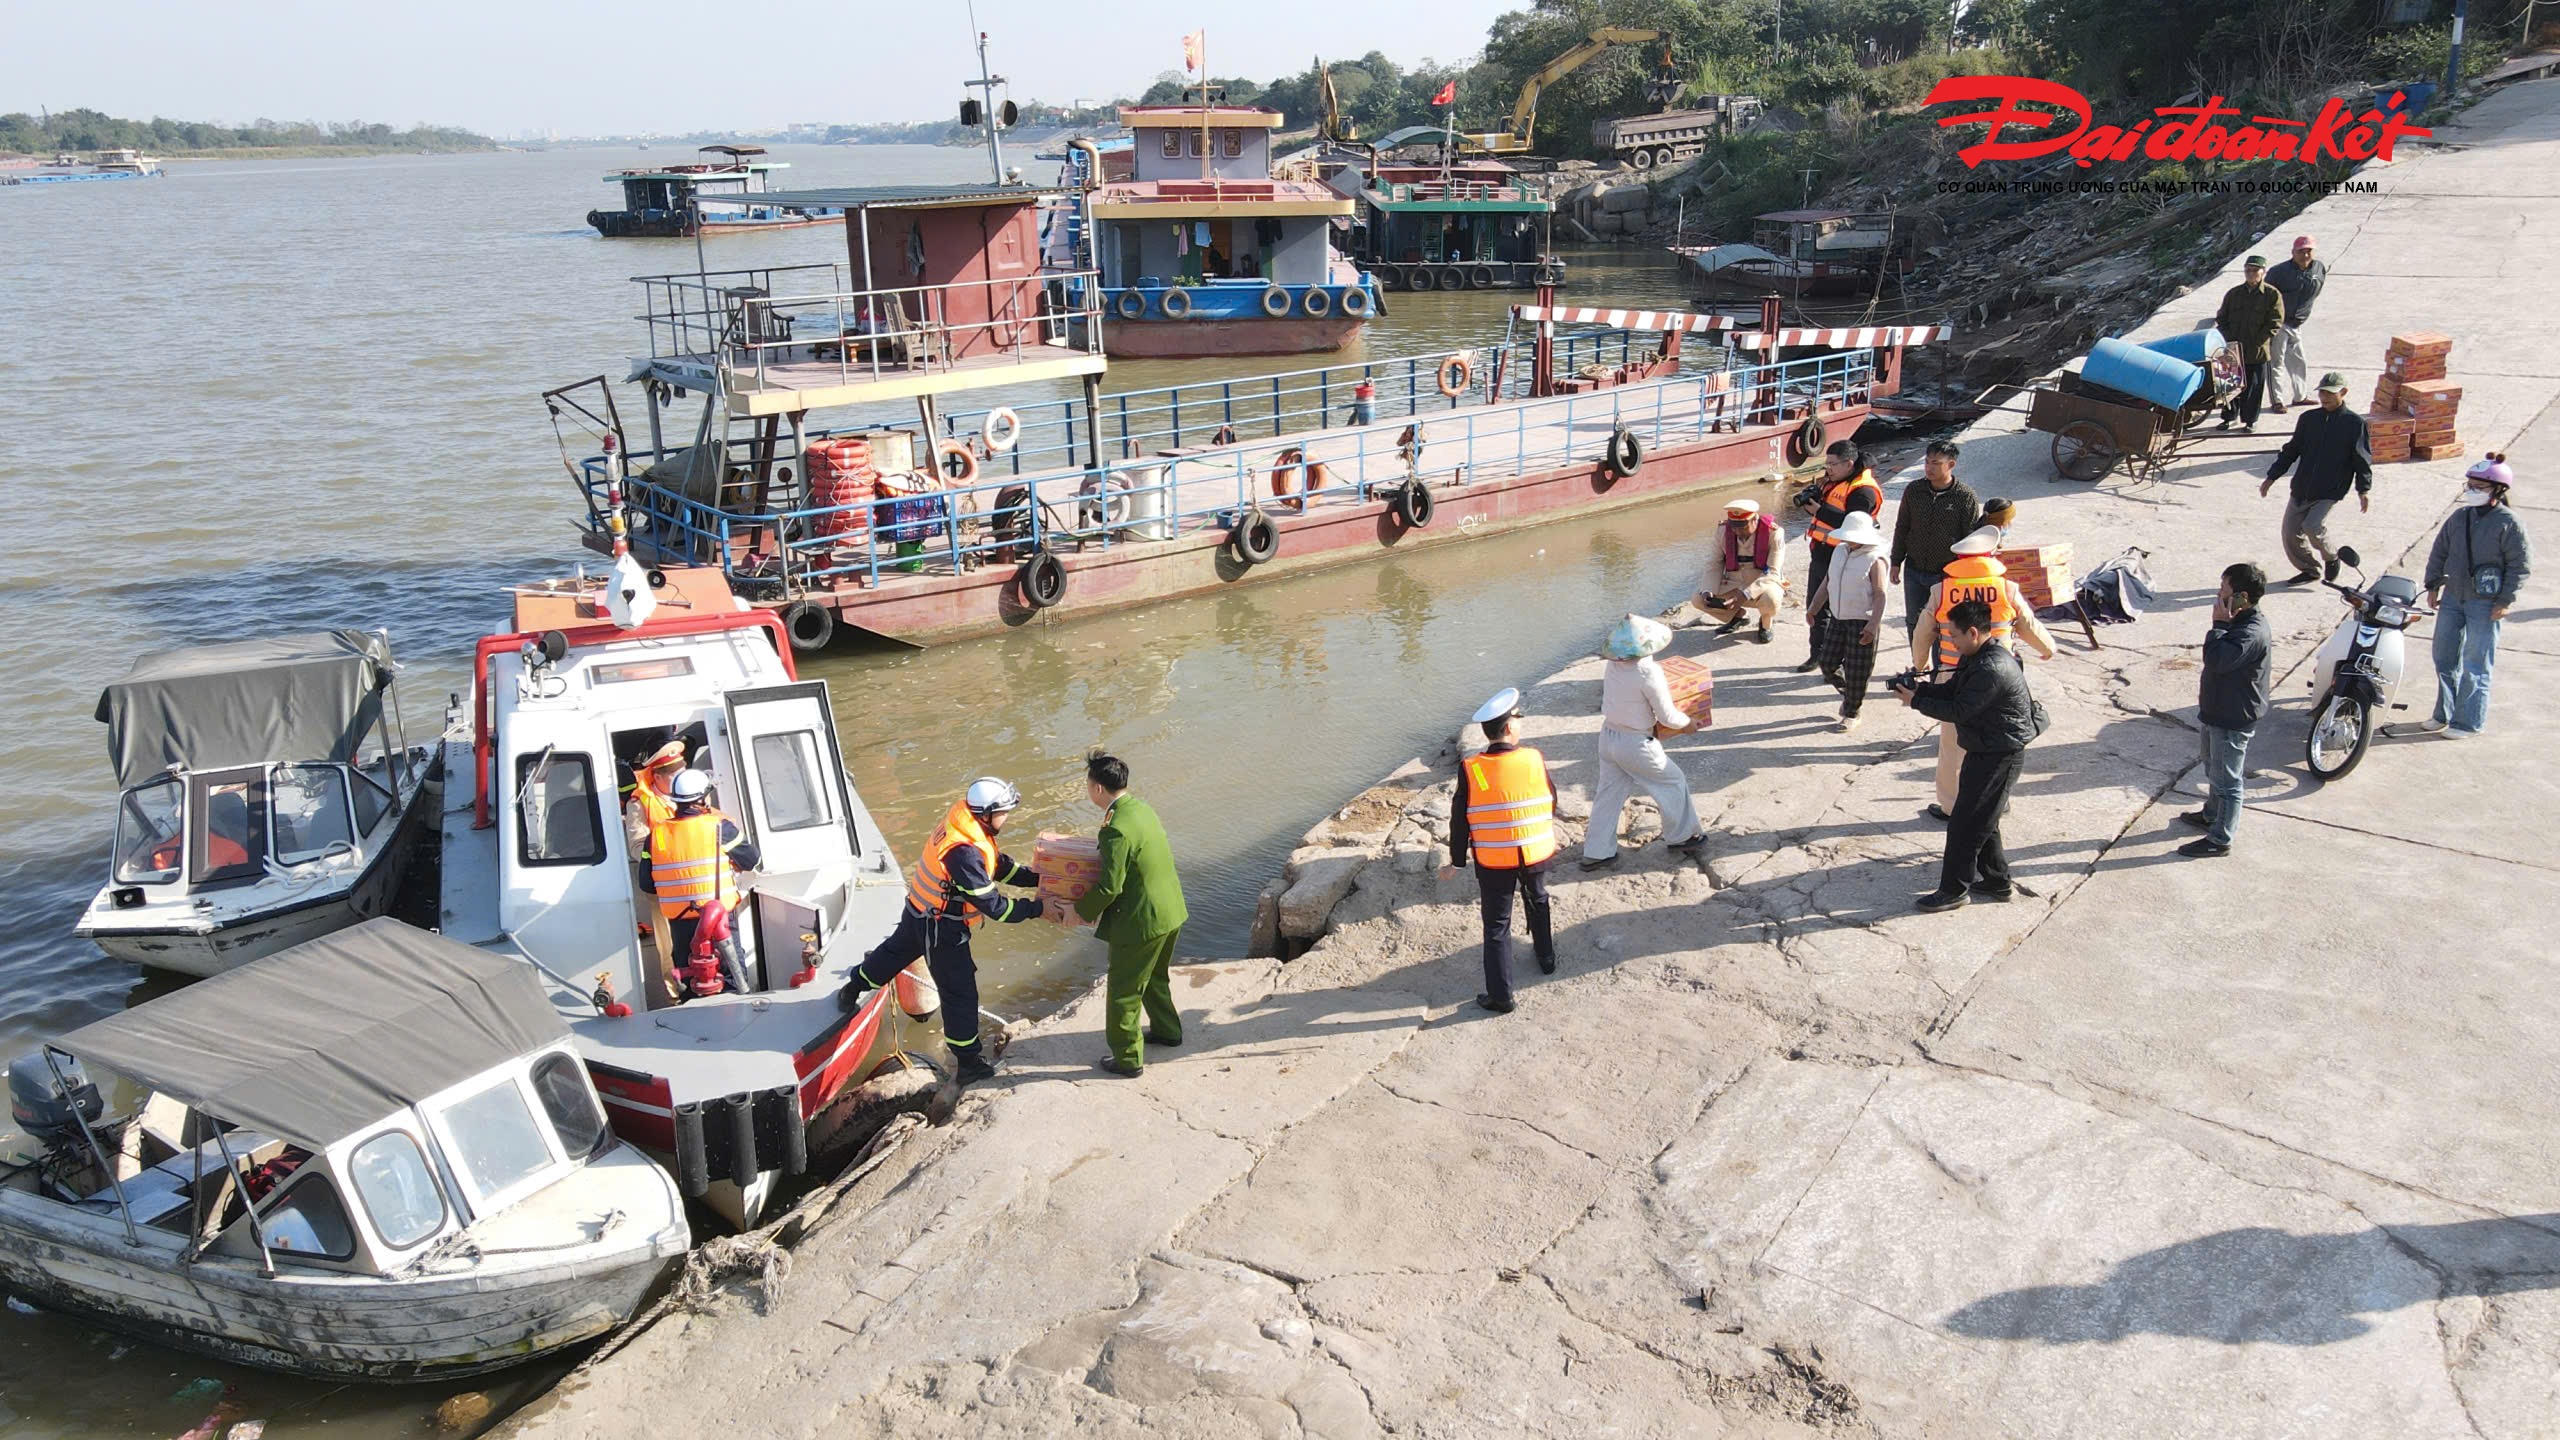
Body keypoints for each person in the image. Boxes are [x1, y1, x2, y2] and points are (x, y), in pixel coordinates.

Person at [838, 778, 1044, 1084]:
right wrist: (1038, 909)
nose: (1007, 817)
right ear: (986, 814)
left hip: (919, 911)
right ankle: (968, 1063)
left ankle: (853, 986)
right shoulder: (963, 854)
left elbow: (996, 865)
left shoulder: (963, 825)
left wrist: (1034, 878)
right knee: (959, 993)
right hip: (942, 928)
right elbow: (996, 907)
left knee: (893, 954)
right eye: (1004, 812)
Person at [1890, 600, 2044, 912]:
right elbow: (1953, 691)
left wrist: (1916, 701)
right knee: (1983, 818)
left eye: (1955, 636)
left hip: (1999, 753)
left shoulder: (1991, 668)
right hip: (1987, 747)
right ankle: (1998, 882)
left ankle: (1954, 890)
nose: (1952, 642)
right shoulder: (1979, 656)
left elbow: (1959, 709)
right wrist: (1919, 689)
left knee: (1965, 825)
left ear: (1973, 632)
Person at [1909, 526, 2056, 818]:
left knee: (1952, 746)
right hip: (2000, 677)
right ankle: (1998, 800)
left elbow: (1923, 630)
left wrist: (1920, 662)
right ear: (1990, 556)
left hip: (1953, 674)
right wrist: (2047, 648)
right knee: (1998, 742)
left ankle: (1951, 805)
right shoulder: (2006, 588)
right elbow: (2027, 623)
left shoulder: (1942, 590)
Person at [1440, 690, 1559, 1015]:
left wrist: (1457, 861)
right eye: (1517, 719)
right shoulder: (1534, 757)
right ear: (1509, 728)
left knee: (1496, 925)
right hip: (1534, 850)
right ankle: (1546, 958)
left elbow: (1460, 818)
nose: (1519, 723)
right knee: (1538, 897)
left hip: (1493, 859)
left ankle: (1501, 997)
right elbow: (1551, 798)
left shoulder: (1472, 769)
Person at [1073, 752, 1190, 1076]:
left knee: (1124, 991)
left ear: (1097, 788)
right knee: (1154, 976)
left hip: (1141, 921)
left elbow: (1110, 887)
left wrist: (1079, 911)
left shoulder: (1115, 829)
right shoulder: (1141, 809)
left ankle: (1127, 1058)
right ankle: (1168, 1031)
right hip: (1170, 912)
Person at [1584, 614, 1706, 871]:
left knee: (1608, 792)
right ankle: (1683, 836)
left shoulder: (1613, 665)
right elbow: (1667, 716)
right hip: (1636, 742)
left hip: (1608, 736)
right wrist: (1688, 724)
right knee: (1672, 782)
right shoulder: (1649, 671)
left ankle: (1596, 851)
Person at [2422, 454, 2533, 736]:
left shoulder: (2509, 523)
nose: (2472, 491)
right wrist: (2433, 585)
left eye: (2479, 487)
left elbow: (2520, 565)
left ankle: (2468, 722)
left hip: (2485, 603)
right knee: (2443, 658)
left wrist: (2505, 601)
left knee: (2476, 664)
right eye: (2469, 485)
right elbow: (2440, 552)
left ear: (2497, 490)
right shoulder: (2459, 517)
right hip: (2452, 598)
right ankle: (2443, 713)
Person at [638, 769, 761, 997]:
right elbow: (752, 859)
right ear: (703, 798)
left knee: (692, 984)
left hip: (680, 927)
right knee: (734, 983)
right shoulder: (719, 828)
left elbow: (646, 883)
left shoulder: (655, 837)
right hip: (720, 924)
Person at [2179, 562, 2271, 858]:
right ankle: (2210, 814)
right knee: (2211, 766)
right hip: (2218, 710)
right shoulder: (2239, 621)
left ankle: (2220, 839)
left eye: (2223, 590)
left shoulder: (2250, 632)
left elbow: (2218, 660)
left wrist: (2218, 625)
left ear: (2242, 596)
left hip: (2233, 716)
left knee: (2228, 780)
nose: (2218, 595)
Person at [2259, 371, 2372, 584]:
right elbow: (2292, 450)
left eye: (2330, 393)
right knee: (2290, 533)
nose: (2324, 398)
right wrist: (2271, 477)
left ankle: (2331, 556)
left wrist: (2363, 490)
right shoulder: (2309, 419)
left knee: (2312, 526)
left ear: (2343, 392)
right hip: (2302, 487)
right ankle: (2309, 569)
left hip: (2330, 489)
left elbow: (2362, 460)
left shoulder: (2354, 424)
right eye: (2321, 393)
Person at [1794, 441, 1883, 673]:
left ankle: (1839, 662)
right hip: (1823, 552)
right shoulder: (1837, 480)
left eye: (1832, 464)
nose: (1828, 469)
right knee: (1816, 604)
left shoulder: (1864, 491)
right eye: (1827, 464)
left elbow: (1855, 525)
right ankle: (1818, 655)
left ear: (1849, 463)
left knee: (1843, 611)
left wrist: (1820, 511)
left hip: (1848, 555)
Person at [1808, 510, 1889, 732]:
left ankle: (1853, 711)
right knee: (1827, 664)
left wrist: (1873, 624)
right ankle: (1851, 693)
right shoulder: (1840, 551)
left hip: (1862, 621)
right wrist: (1813, 608)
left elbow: (1881, 593)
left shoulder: (1875, 558)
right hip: (1838, 617)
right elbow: (1827, 581)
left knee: (1857, 670)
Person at [1889, 440, 1981, 635]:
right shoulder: (1914, 490)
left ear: (1951, 465)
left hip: (1945, 574)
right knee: (1914, 622)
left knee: (1943, 625)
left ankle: (1939, 666)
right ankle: (1918, 664)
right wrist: (1896, 561)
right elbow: (1902, 527)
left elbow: (1970, 539)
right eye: (1927, 462)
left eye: (1936, 463)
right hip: (1913, 570)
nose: (1929, 468)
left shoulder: (1965, 497)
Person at [1695, 498, 1785, 643]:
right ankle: (1739, 617)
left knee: (1771, 600)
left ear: (1754, 520)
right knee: (1699, 600)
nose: (1738, 531)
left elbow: (1773, 572)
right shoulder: (1723, 531)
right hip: (1733, 581)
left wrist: (1746, 594)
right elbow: (1714, 563)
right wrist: (1708, 590)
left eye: (1743, 527)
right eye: (1734, 527)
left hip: (1762, 583)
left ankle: (1766, 624)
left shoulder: (1774, 533)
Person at [2214, 255, 2286, 433]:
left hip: (2257, 351)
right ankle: (2229, 418)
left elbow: (2275, 322)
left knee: (2253, 388)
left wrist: (2259, 340)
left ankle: (2250, 421)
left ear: (2263, 272)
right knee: (2230, 386)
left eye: (2255, 270)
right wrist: (2229, 338)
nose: (2251, 274)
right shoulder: (2234, 294)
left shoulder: (2271, 295)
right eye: (2248, 270)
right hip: (2232, 350)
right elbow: (2222, 318)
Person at [2264, 235, 2327, 412]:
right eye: (2301, 251)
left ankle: (2300, 397)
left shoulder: (2319, 268)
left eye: (2309, 251)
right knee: (2276, 363)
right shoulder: (2279, 272)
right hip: (2279, 324)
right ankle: (2277, 401)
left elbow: (2316, 290)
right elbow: (2266, 296)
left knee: (2299, 362)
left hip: (2296, 324)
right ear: (2293, 252)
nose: (2305, 255)